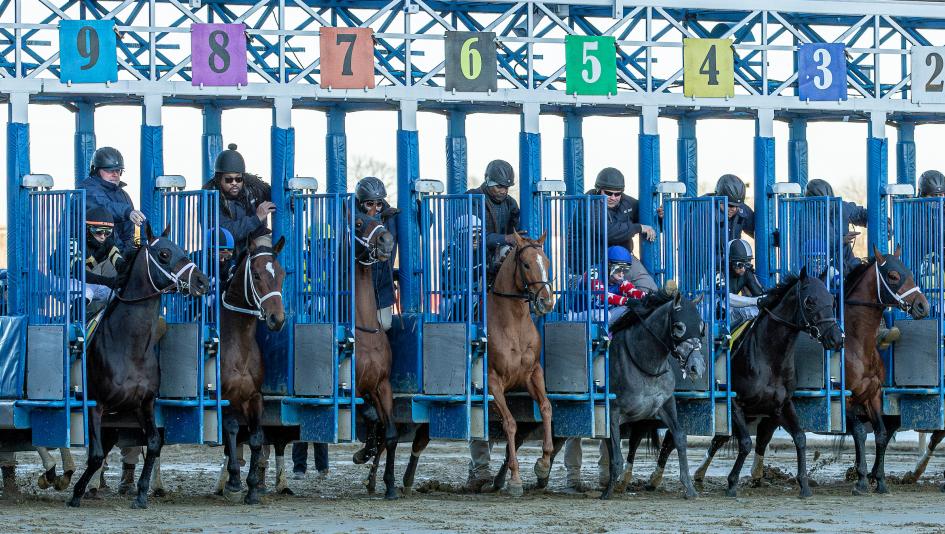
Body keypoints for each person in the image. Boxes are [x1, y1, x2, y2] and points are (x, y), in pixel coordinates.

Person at [590, 168, 658, 293]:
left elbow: (649, 222)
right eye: (609, 193)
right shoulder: (588, 203)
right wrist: (638, 227)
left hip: (623, 259)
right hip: (594, 261)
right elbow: (607, 232)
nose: (613, 197)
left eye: (618, 193)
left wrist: (659, 217)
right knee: (598, 300)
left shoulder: (627, 202)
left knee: (650, 291)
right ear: (598, 190)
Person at [203, 143, 275, 252]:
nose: (234, 183)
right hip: (225, 253)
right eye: (229, 180)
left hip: (254, 246)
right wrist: (257, 218)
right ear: (219, 180)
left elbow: (281, 198)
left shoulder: (255, 189)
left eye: (238, 179)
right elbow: (226, 233)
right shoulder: (210, 198)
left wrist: (292, 202)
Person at [79, 147, 146, 255]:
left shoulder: (123, 195)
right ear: (96, 170)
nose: (115, 174)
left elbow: (129, 231)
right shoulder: (87, 189)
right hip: (89, 255)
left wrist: (128, 254)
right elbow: (104, 207)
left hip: (114, 253)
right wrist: (127, 212)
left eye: (118, 170)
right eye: (109, 170)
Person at [465, 160, 522, 286]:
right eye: (499, 186)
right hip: (472, 262)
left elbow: (517, 232)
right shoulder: (471, 199)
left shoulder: (511, 203)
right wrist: (506, 238)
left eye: (506, 187)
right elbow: (474, 238)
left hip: (500, 259)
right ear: (487, 180)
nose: (503, 191)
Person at [354, 176, 399, 331]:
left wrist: (421, 209)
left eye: (379, 203)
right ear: (360, 203)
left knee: (385, 324)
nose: (375, 207)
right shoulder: (352, 220)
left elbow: (424, 224)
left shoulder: (391, 217)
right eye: (370, 203)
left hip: (382, 284)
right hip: (357, 284)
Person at [727, 239, 764, 329]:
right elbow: (727, 299)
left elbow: (760, 295)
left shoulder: (746, 273)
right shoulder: (718, 270)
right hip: (710, 314)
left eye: (747, 264)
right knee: (725, 307)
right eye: (739, 264)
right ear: (729, 262)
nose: (743, 269)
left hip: (730, 313)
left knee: (758, 310)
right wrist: (755, 301)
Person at [712, 174, 755, 242]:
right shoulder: (703, 212)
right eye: (730, 205)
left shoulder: (742, 210)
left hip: (731, 251)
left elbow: (758, 231)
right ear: (718, 198)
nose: (734, 209)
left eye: (737, 205)